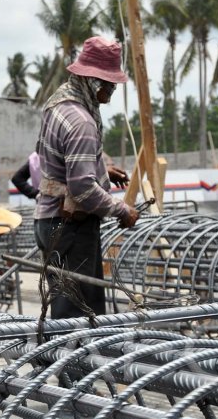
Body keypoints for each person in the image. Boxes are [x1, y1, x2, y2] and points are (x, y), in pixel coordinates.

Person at [34, 36, 139, 320]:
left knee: (69, 308)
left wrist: (102, 167)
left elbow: (54, 155)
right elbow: (82, 188)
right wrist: (122, 209)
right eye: (109, 84)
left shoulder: (59, 103)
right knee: (78, 317)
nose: (112, 90)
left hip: (51, 222)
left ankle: (59, 363)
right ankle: (65, 365)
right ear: (94, 82)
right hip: (70, 228)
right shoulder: (82, 122)